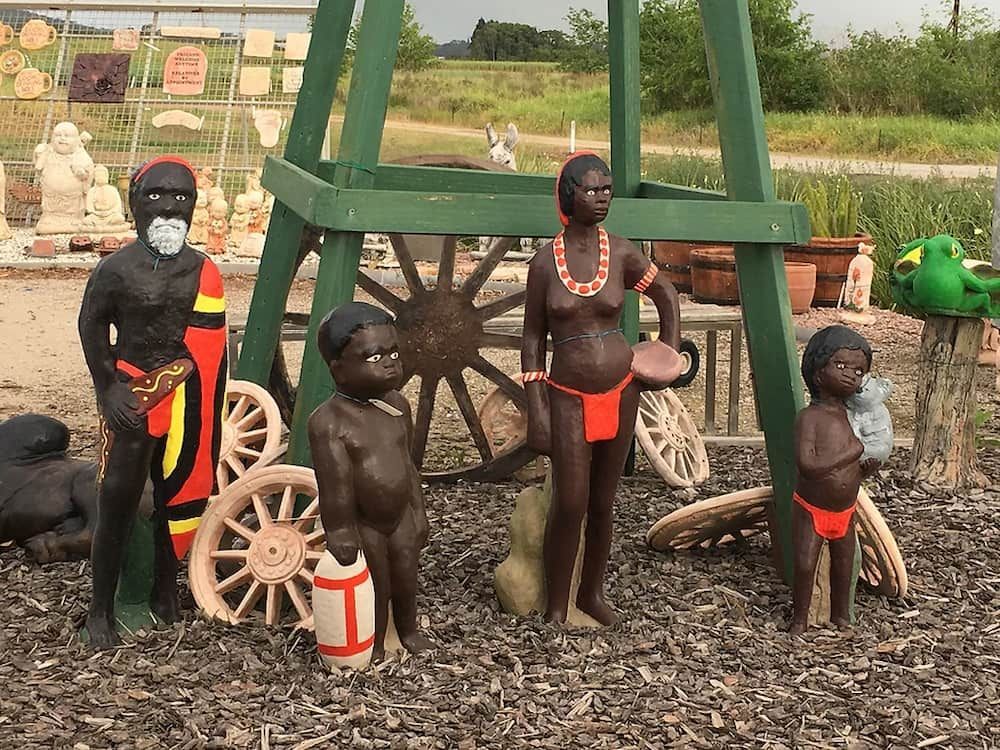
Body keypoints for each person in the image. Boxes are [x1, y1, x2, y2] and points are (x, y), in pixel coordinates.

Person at [521, 152, 681, 626]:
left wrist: (667, 354)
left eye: (607, 189)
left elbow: (666, 294)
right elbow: (532, 341)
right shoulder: (544, 264)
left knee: (603, 502)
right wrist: (537, 409)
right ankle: (556, 603)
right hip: (568, 395)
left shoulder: (622, 253)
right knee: (570, 501)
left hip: (621, 389)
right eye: (591, 189)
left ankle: (590, 593)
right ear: (568, 194)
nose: (601, 197)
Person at [78, 156, 227, 649]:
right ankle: (100, 609)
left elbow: (212, 346)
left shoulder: (204, 271)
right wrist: (108, 388)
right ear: (135, 202)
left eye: (181, 197)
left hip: (187, 398)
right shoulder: (115, 270)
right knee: (117, 500)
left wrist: (200, 399)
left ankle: (166, 591)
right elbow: (92, 327)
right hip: (134, 397)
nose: (169, 208)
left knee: (177, 491)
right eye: (156, 195)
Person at [309, 302, 434, 661]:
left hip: (401, 516)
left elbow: (408, 465)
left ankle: (407, 630)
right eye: (375, 357)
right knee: (375, 582)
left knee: (406, 575)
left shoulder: (398, 406)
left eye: (394, 352)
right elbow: (335, 487)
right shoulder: (329, 423)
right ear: (339, 370)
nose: (391, 363)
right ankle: (374, 640)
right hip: (366, 522)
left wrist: (418, 510)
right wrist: (340, 531)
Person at [791, 325, 881, 635]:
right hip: (811, 509)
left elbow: (850, 463)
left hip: (845, 511)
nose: (850, 376)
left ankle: (841, 615)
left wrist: (863, 469)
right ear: (818, 372)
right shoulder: (809, 418)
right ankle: (799, 618)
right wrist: (850, 454)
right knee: (805, 564)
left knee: (845, 566)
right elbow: (808, 465)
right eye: (841, 365)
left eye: (858, 371)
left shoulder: (848, 416)